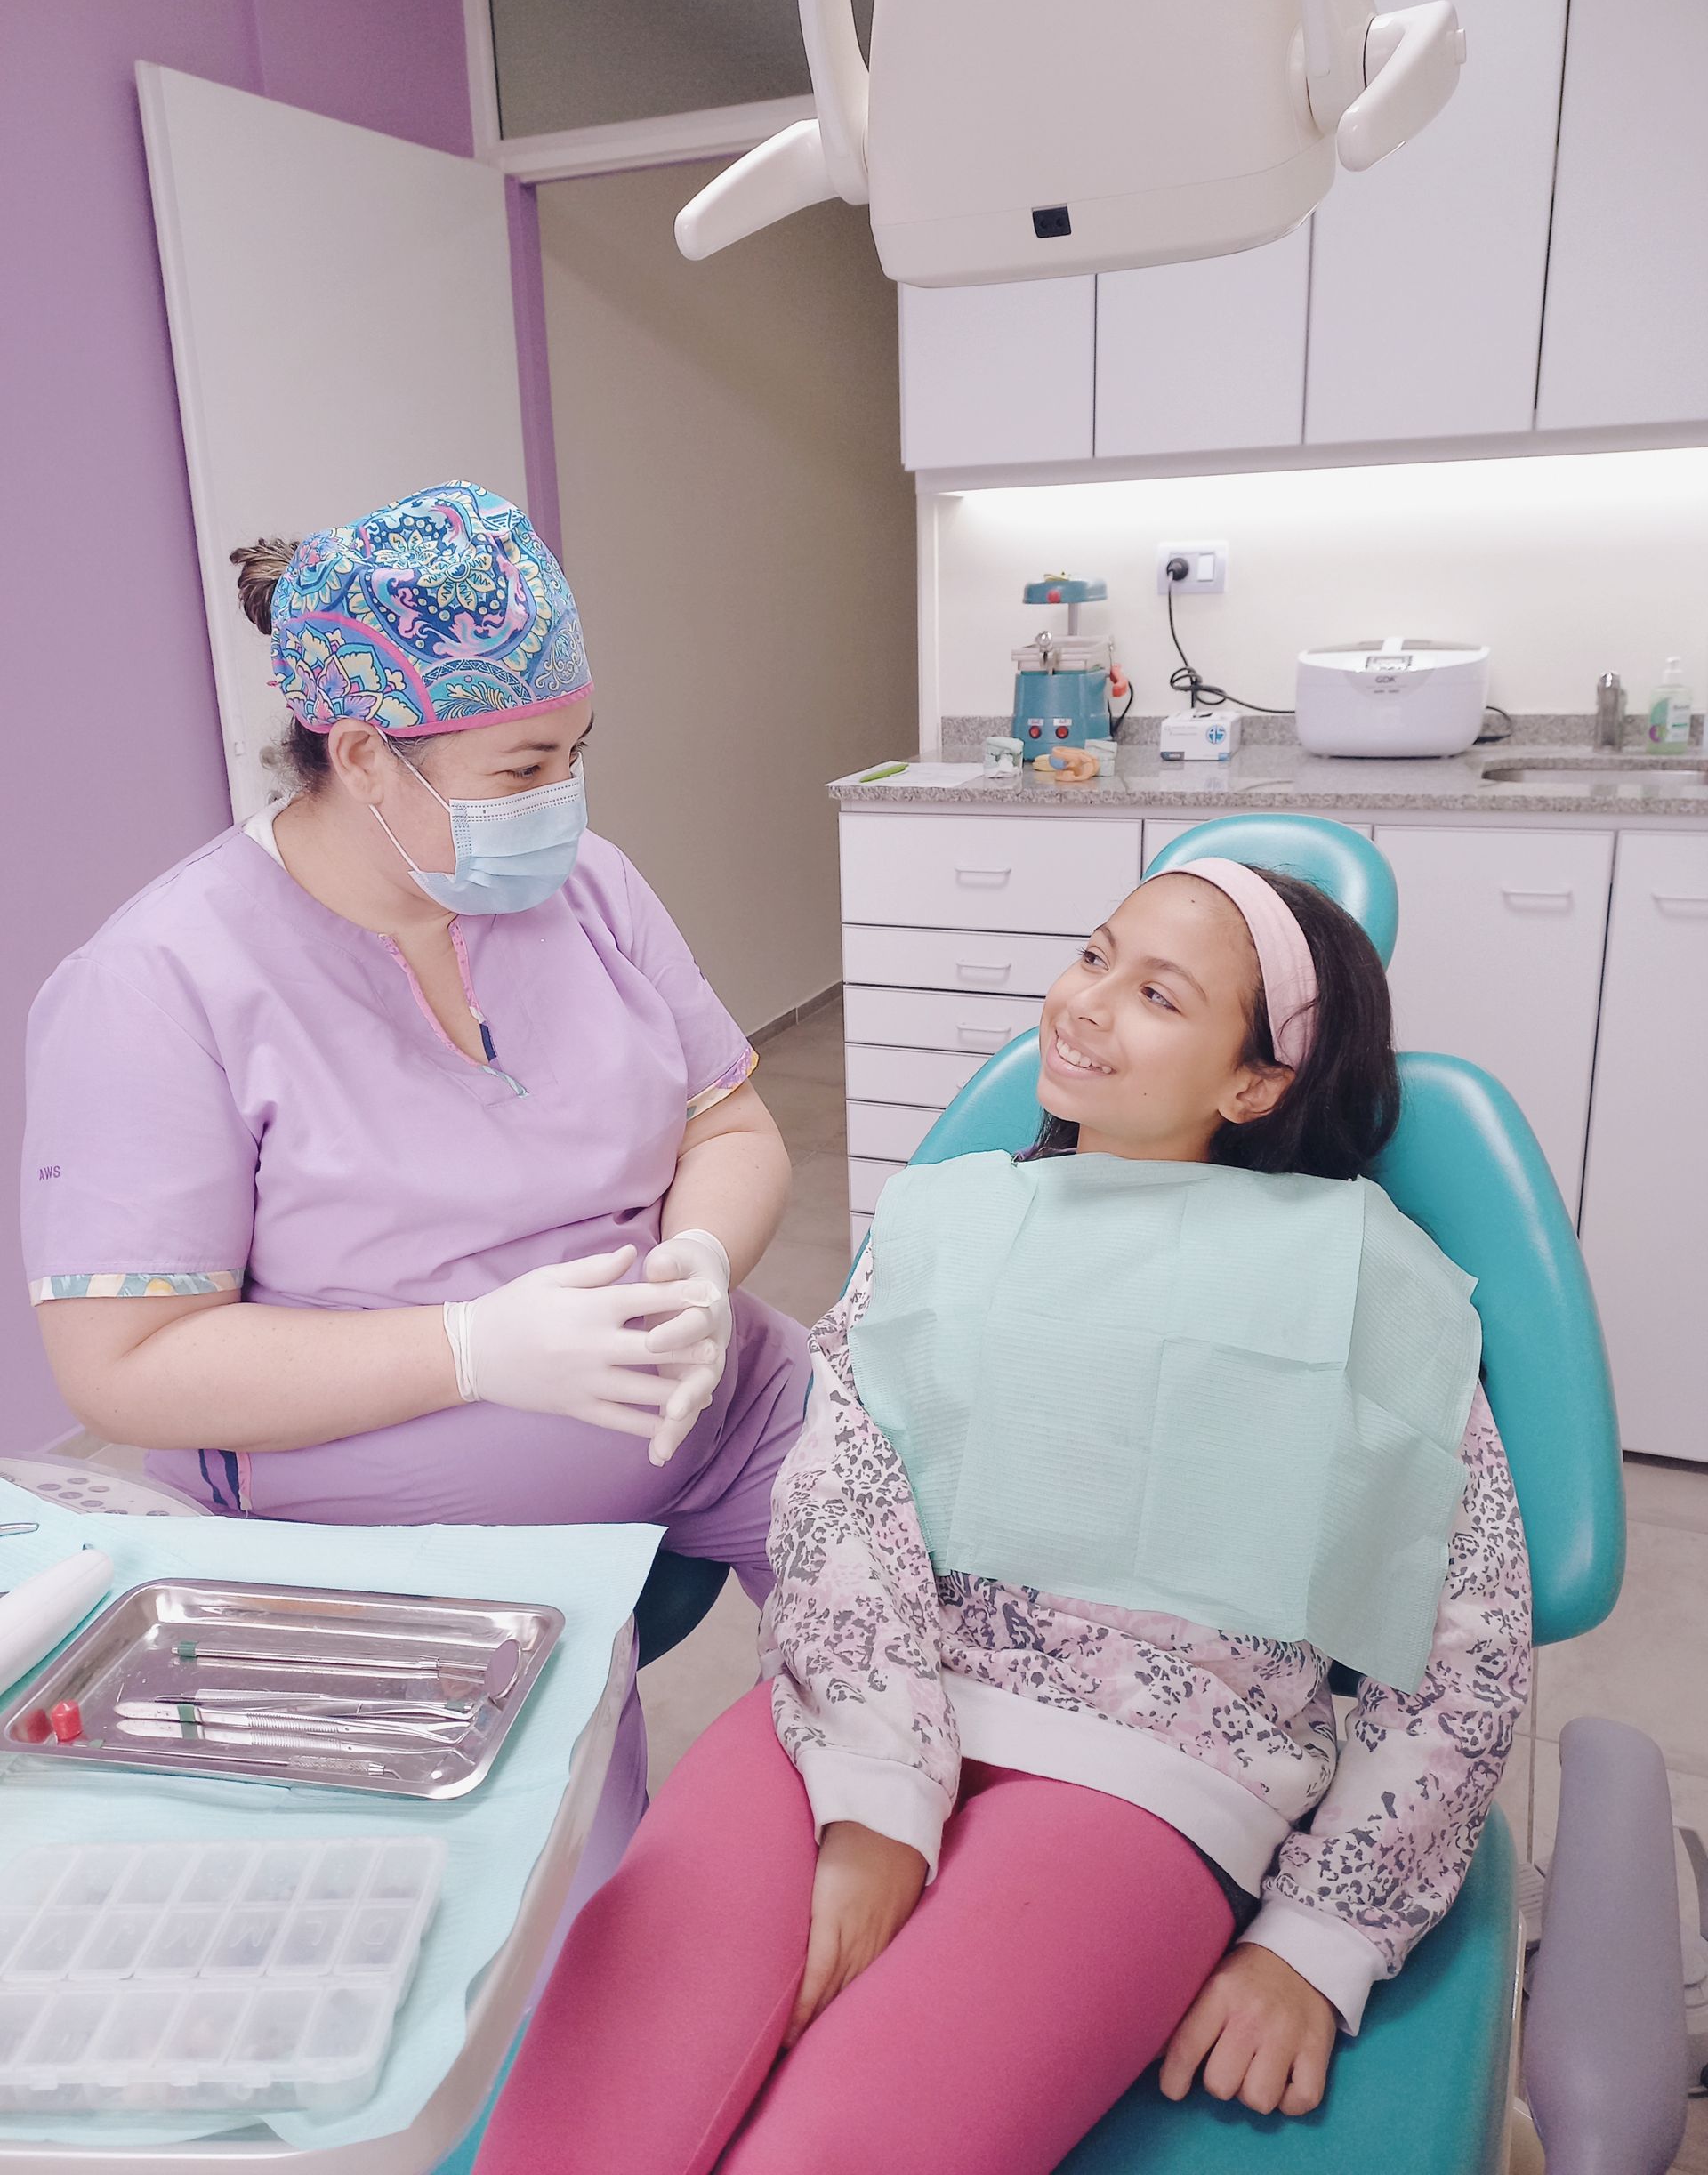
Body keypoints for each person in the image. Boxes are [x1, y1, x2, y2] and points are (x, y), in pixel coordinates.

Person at [472, 858, 1533, 2175]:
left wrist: (1318, 1941)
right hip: (849, 1718)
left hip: (1153, 1777)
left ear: (1254, 1083)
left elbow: (1466, 1641)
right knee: (588, 2126)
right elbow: (834, 1510)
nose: (1086, 1004)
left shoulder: (1370, 1282)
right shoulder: (948, 1225)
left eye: (1157, 994)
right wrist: (874, 1804)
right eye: (1093, 956)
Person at [21, 480, 810, 1904]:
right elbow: (122, 1366)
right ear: (368, 756)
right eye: (521, 770)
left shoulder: (592, 892)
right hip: (406, 1542)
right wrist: (472, 1352)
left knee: (941, 1649)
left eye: (576, 755)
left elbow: (733, 1120)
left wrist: (698, 1260)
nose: (565, 802)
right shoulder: (156, 988)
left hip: (722, 1413)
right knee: (565, 1915)